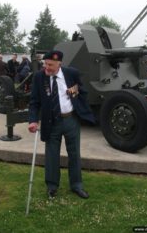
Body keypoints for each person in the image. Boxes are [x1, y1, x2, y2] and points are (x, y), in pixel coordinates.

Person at [28, 50, 95, 199]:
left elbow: (83, 92)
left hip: (71, 120)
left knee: (74, 154)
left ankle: (77, 185)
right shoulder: (40, 77)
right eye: (45, 64)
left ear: (60, 64)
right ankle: (52, 186)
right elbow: (34, 102)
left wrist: (76, 95)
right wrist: (33, 120)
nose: (47, 67)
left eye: (50, 64)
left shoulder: (72, 73)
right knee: (51, 155)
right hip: (51, 122)